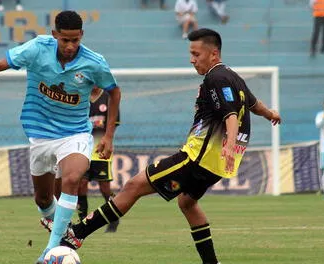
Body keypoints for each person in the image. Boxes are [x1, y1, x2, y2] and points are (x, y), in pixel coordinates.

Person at [43, 28, 281, 264]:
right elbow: (253, 103)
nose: (192, 59)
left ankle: (77, 234)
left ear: (214, 54)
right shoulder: (233, 77)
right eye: (191, 54)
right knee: (187, 203)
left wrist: (229, 143)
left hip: (196, 159)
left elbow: (229, 114)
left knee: (134, 186)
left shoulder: (215, 78)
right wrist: (270, 113)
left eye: (196, 54)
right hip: (214, 166)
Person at [0, 10, 121, 264]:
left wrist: (109, 136)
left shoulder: (94, 62)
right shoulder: (37, 48)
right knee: (44, 199)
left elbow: (114, 92)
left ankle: (49, 252)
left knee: (71, 178)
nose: (70, 46)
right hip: (40, 134)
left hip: (75, 133)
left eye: (75, 40)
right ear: (55, 35)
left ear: (81, 36)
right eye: (64, 40)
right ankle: (59, 228)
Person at [77, 86, 120, 233]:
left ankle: (114, 218)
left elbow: (113, 124)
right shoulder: (81, 97)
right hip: (83, 149)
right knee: (81, 185)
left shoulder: (107, 97)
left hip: (101, 149)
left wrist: (109, 140)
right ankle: (82, 221)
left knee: (104, 187)